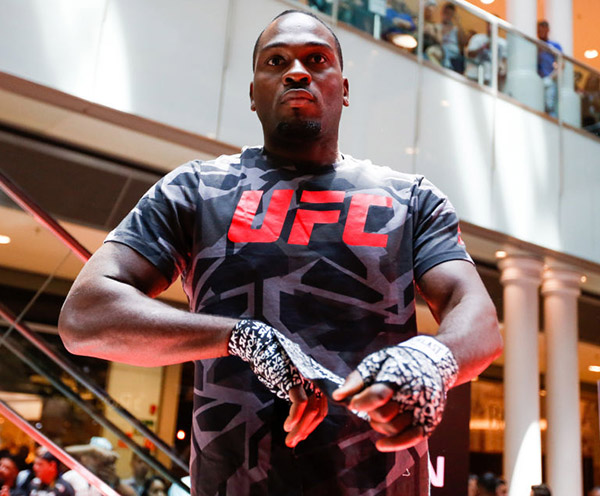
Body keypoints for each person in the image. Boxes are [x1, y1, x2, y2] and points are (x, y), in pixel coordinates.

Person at [58, 8, 502, 495]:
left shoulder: (412, 199)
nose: (297, 71)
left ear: (344, 88)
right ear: (253, 94)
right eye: (276, 61)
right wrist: (242, 337)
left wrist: (433, 361)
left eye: (317, 60)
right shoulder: (195, 190)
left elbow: (476, 315)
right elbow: (85, 315)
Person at [62, 437, 136, 496]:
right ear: (84, 457)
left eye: (104, 459)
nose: (99, 462)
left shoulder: (111, 481)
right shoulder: (72, 477)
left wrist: (116, 483)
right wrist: (93, 450)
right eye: (95, 456)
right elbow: (60, 452)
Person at [537, 20, 562, 117]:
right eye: (539, 31)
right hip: (538, 78)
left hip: (549, 78)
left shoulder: (554, 46)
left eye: (543, 30)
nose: (541, 32)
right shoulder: (535, 44)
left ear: (547, 30)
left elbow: (561, 63)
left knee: (550, 104)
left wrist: (552, 76)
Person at [439, 2, 467, 73]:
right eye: (446, 13)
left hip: (453, 54)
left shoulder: (456, 29)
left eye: (450, 14)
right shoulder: (438, 27)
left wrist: (458, 22)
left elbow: (463, 42)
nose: (447, 16)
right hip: (441, 50)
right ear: (442, 13)